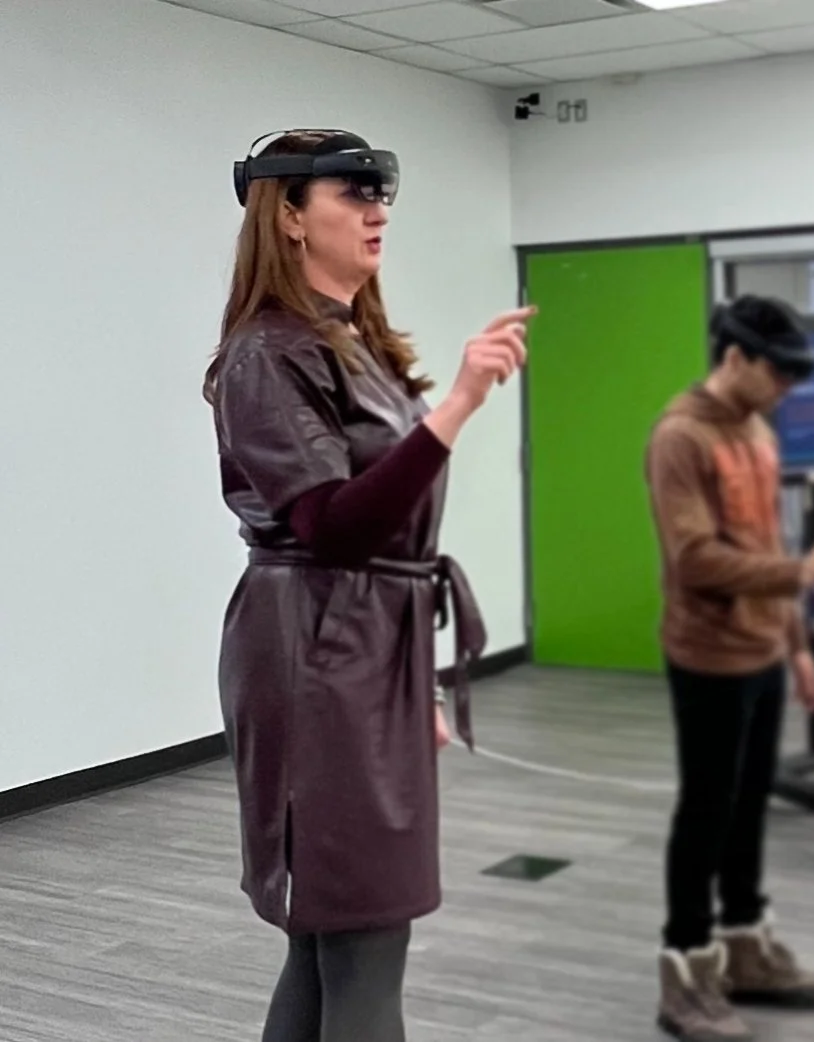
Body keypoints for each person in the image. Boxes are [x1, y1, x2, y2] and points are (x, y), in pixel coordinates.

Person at [205, 128, 531, 1042]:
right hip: (312, 652)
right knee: (359, 937)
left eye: (382, 190)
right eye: (351, 192)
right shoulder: (267, 354)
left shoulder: (352, 342)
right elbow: (336, 526)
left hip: (359, 647)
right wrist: (459, 404)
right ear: (289, 215)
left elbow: (382, 539)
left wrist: (415, 684)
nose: (376, 208)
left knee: (334, 940)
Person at [644, 295, 814, 1042]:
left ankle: (745, 951)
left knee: (747, 809)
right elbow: (695, 559)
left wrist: (797, 647)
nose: (786, 389)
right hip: (707, 656)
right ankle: (684, 974)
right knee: (705, 812)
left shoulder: (758, 431)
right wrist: (804, 574)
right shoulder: (680, 437)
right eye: (778, 373)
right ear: (734, 357)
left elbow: (769, 541)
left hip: (765, 650)